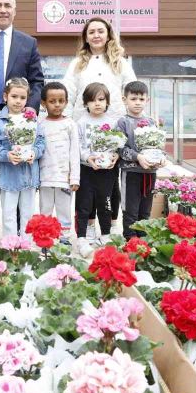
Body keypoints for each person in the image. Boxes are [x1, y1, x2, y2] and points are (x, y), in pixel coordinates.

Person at [64, 17, 137, 232]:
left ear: (108, 35)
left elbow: (131, 88)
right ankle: (88, 225)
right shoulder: (77, 63)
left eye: (100, 31)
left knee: (110, 179)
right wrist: (67, 121)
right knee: (87, 178)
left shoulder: (120, 62)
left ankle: (112, 224)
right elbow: (69, 92)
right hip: (84, 126)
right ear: (85, 37)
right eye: (91, 32)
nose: (96, 35)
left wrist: (134, 119)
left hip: (112, 127)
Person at [0, 77, 46, 240]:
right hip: (9, 176)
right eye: (14, 96)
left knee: (28, 214)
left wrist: (34, 153)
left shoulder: (33, 119)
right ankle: (10, 246)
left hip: (29, 175)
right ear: (5, 96)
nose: (18, 101)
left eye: (22, 98)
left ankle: (26, 246)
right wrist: (7, 155)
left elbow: (42, 142)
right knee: (8, 215)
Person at [118, 81, 166, 238]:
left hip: (149, 172)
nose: (137, 102)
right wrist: (138, 156)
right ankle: (130, 242)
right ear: (124, 99)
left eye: (141, 99)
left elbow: (158, 146)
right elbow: (120, 149)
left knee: (145, 210)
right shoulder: (123, 122)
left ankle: (143, 242)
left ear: (147, 100)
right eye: (133, 98)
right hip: (131, 172)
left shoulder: (152, 122)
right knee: (130, 210)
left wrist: (161, 158)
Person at [75, 83, 120, 246]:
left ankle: (106, 233)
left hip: (107, 171)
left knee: (105, 202)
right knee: (85, 202)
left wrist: (115, 155)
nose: (97, 103)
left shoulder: (113, 122)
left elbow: (118, 144)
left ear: (107, 101)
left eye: (101, 99)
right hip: (87, 169)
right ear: (86, 103)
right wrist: (88, 157)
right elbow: (78, 145)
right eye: (92, 100)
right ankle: (86, 232)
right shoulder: (80, 122)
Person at [38, 82, 80, 245]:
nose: (57, 105)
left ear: (66, 102)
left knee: (64, 210)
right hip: (45, 178)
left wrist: (75, 178)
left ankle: (64, 239)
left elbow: (74, 153)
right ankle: (45, 239)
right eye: (52, 101)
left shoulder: (70, 125)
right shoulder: (39, 124)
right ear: (43, 103)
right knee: (45, 211)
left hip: (64, 178)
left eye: (61, 101)